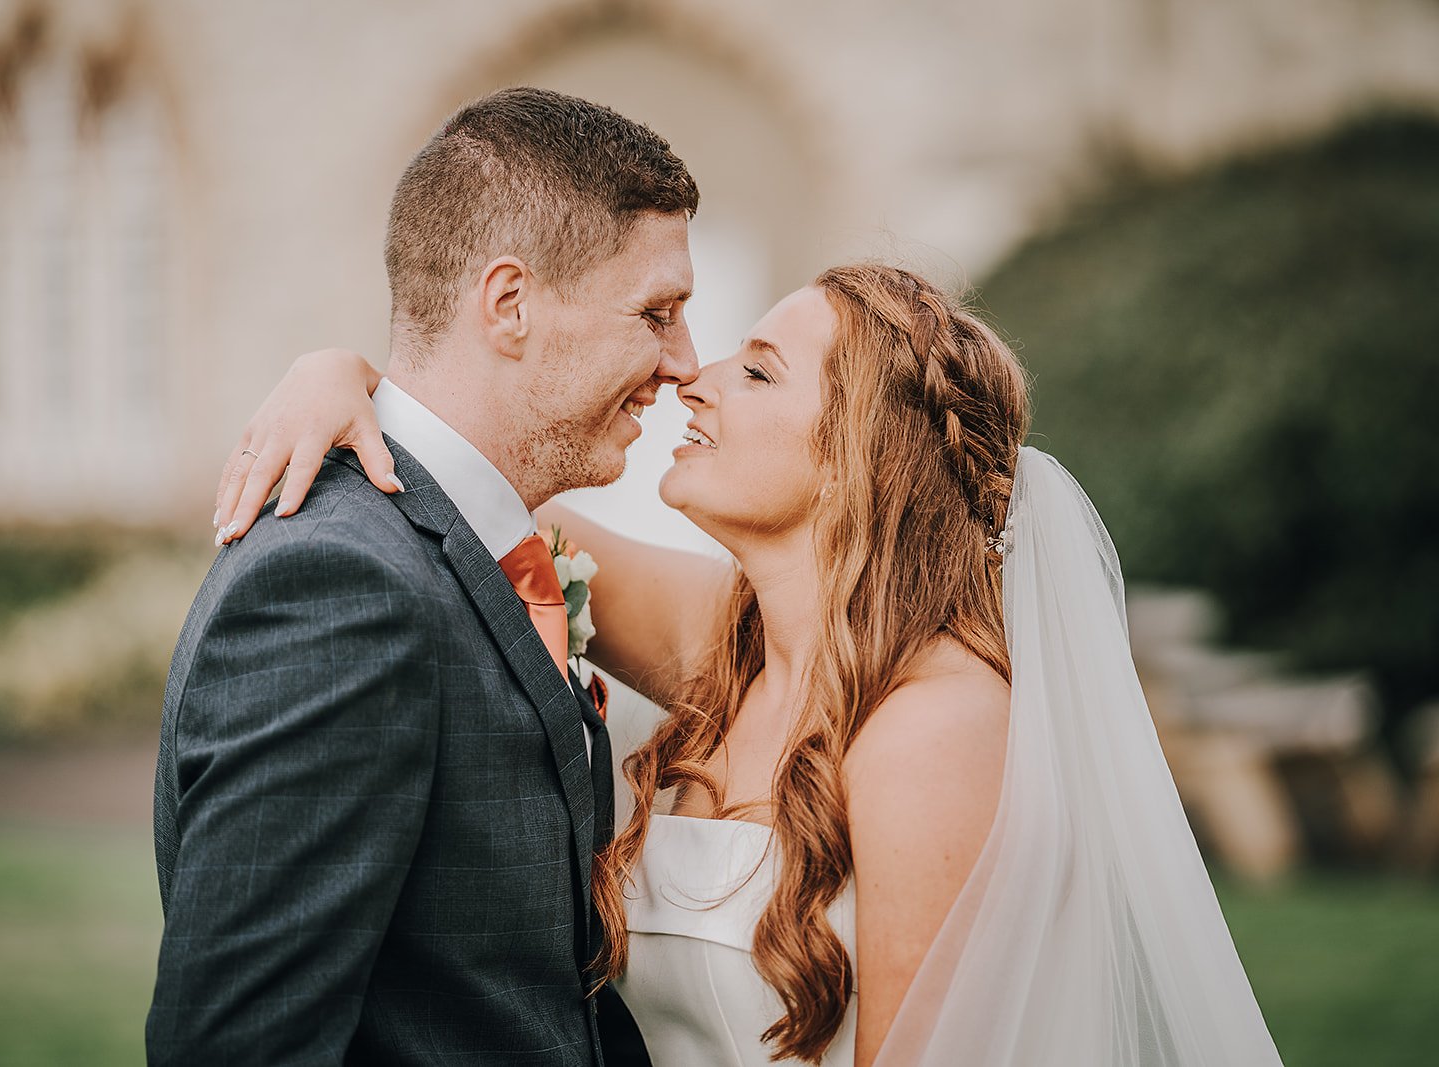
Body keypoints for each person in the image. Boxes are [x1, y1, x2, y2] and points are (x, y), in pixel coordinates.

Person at [218, 263, 1287, 1065]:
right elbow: (487, 496)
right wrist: (341, 378)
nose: (694, 379)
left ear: (861, 453)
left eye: (758, 370)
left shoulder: (936, 726)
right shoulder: (724, 649)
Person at [148, 86, 701, 1065]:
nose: (683, 360)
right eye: (655, 313)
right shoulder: (340, 589)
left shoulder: (474, 544)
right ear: (508, 303)